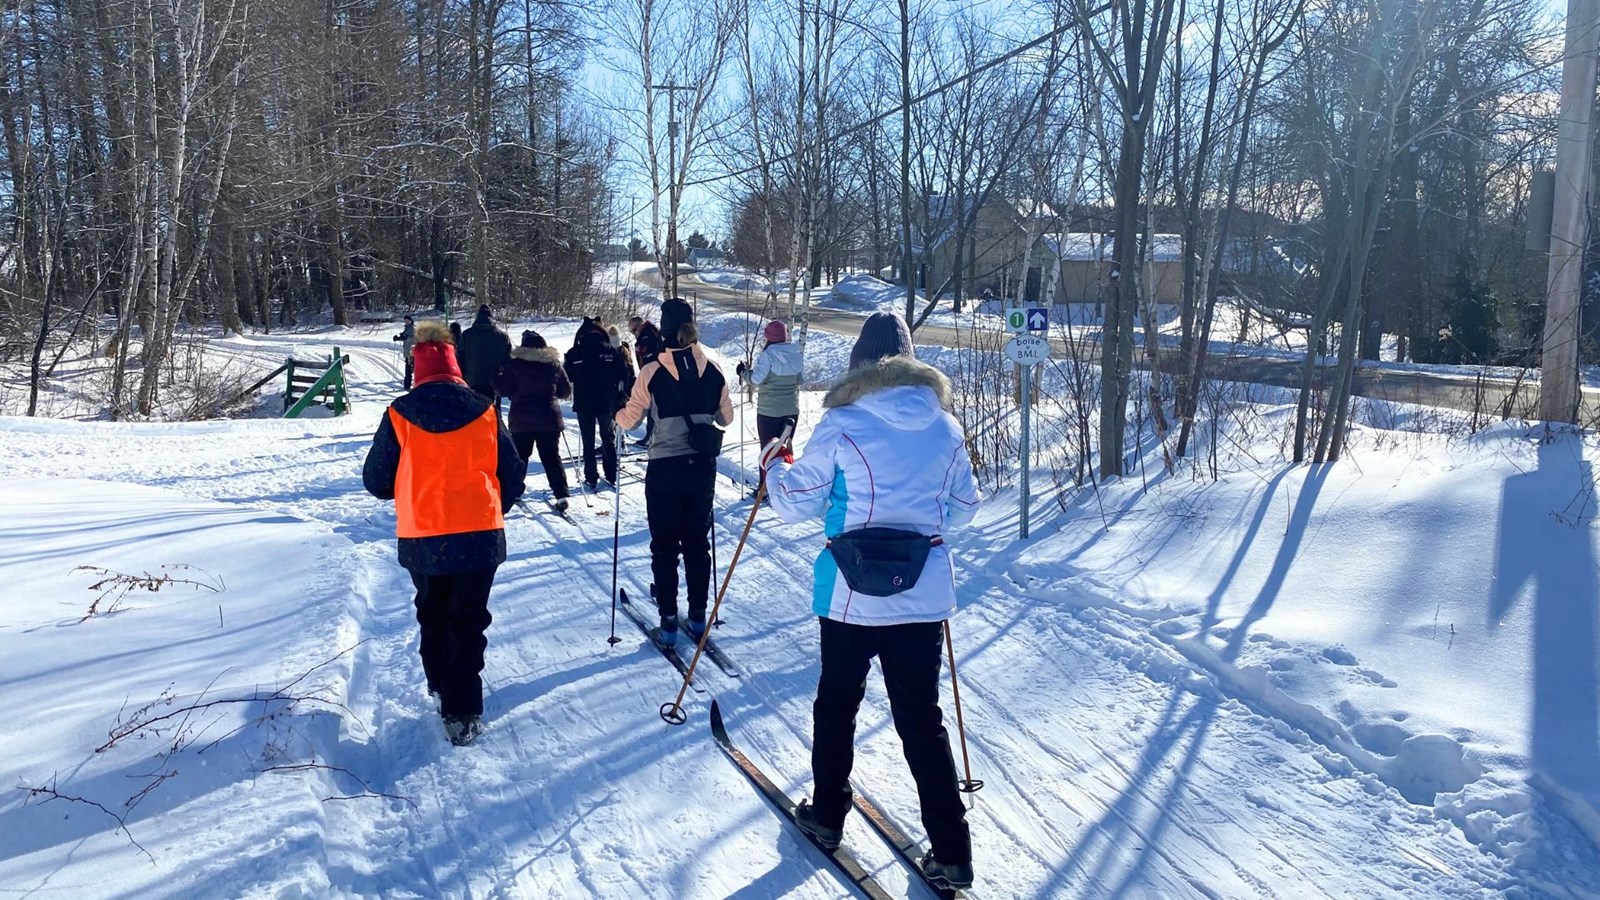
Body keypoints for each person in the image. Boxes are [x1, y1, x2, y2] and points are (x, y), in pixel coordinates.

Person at [760, 311, 980, 891]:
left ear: (861, 364)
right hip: (922, 594)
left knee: (837, 705)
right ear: (910, 362)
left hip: (852, 593)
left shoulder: (843, 421)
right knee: (920, 719)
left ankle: (828, 816)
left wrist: (773, 467)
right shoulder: (946, 428)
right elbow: (964, 509)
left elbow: (797, 502)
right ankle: (953, 851)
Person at [362, 320, 526, 747]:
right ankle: (463, 709)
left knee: (432, 613)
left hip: (424, 534)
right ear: (456, 365)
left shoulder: (399, 414)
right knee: (469, 621)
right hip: (480, 533)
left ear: (417, 369)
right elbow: (512, 472)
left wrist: (410, 483)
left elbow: (376, 480)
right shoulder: (486, 410)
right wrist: (493, 504)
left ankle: (440, 686)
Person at [615, 298, 733, 646]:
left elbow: (630, 419)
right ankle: (698, 617)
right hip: (701, 468)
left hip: (664, 468)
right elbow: (726, 418)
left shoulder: (651, 371)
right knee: (697, 544)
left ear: (663, 332)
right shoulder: (712, 369)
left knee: (665, 546)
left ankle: (668, 619)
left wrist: (616, 413)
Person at [495, 330, 572, 510]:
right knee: (551, 457)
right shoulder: (554, 363)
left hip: (521, 418)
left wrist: (497, 377)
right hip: (549, 418)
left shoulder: (514, 364)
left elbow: (503, 390)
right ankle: (561, 495)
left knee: (520, 457)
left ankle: (513, 492)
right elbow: (565, 391)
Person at [564, 317, 628, 489]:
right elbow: (623, 373)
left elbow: (567, 376)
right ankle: (611, 473)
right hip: (606, 402)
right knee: (608, 437)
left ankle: (591, 476)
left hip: (584, 402)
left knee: (588, 439)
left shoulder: (573, 353)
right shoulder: (610, 351)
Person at [737, 319, 803, 453]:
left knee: (768, 455)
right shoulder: (796, 354)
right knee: (784, 453)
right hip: (791, 411)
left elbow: (756, 379)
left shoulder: (768, 355)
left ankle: (767, 474)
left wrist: (743, 372)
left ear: (768, 338)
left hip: (769, 412)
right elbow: (800, 380)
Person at [457, 304, 511, 407]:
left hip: (472, 381)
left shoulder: (467, 335)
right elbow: (507, 361)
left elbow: (460, 358)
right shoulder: (502, 337)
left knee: (474, 412)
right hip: (494, 382)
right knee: (494, 413)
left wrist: (462, 378)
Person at [631, 319, 664, 447]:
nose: (634, 333)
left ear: (640, 326)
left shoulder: (648, 335)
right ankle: (651, 435)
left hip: (654, 377)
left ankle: (651, 437)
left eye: (634, 330)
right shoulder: (648, 334)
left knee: (652, 407)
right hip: (652, 375)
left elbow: (650, 357)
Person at [393, 315, 416, 389]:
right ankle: (408, 384)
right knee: (409, 367)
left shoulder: (412, 328)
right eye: (405, 321)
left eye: (408, 321)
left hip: (412, 352)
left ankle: (408, 384)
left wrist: (403, 337)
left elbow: (409, 337)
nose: (406, 322)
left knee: (410, 368)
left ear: (411, 321)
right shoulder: (407, 328)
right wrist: (398, 338)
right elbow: (404, 337)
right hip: (407, 351)